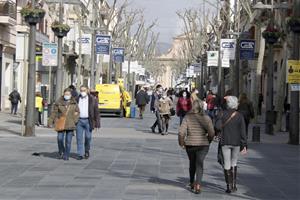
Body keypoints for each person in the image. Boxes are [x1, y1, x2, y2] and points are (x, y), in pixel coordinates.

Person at [178, 99, 215, 194]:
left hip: (190, 144)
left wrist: (182, 143)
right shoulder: (206, 118)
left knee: (192, 163)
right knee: (200, 164)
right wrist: (209, 141)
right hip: (203, 144)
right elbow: (211, 133)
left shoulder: (187, 117)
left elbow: (181, 132)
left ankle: (191, 182)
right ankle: (198, 185)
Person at [215, 96, 247, 194]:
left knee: (227, 163)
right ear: (235, 104)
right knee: (234, 162)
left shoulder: (222, 114)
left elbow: (217, 127)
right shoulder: (239, 115)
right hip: (236, 142)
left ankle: (228, 186)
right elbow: (243, 132)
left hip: (225, 141)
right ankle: (234, 185)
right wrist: (244, 145)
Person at [48, 88, 79, 160]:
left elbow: (77, 112)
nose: (67, 95)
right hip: (61, 123)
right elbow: (54, 112)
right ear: (63, 94)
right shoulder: (58, 102)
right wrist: (50, 121)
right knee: (60, 139)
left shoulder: (74, 102)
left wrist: (75, 120)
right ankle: (61, 151)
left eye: (68, 94)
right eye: (65, 94)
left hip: (70, 123)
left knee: (68, 141)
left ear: (71, 95)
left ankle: (66, 155)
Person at [76, 85, 100, 160]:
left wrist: (97, 124)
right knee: (79, 138)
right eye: (81, 90)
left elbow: (96, 112)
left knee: (88, 137)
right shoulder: (76, 99)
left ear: (88, 90)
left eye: (84, 90)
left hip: (88, 121)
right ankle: (80, 153)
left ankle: (87, 150)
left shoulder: (93, 99)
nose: (82, 92)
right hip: (79, 121)